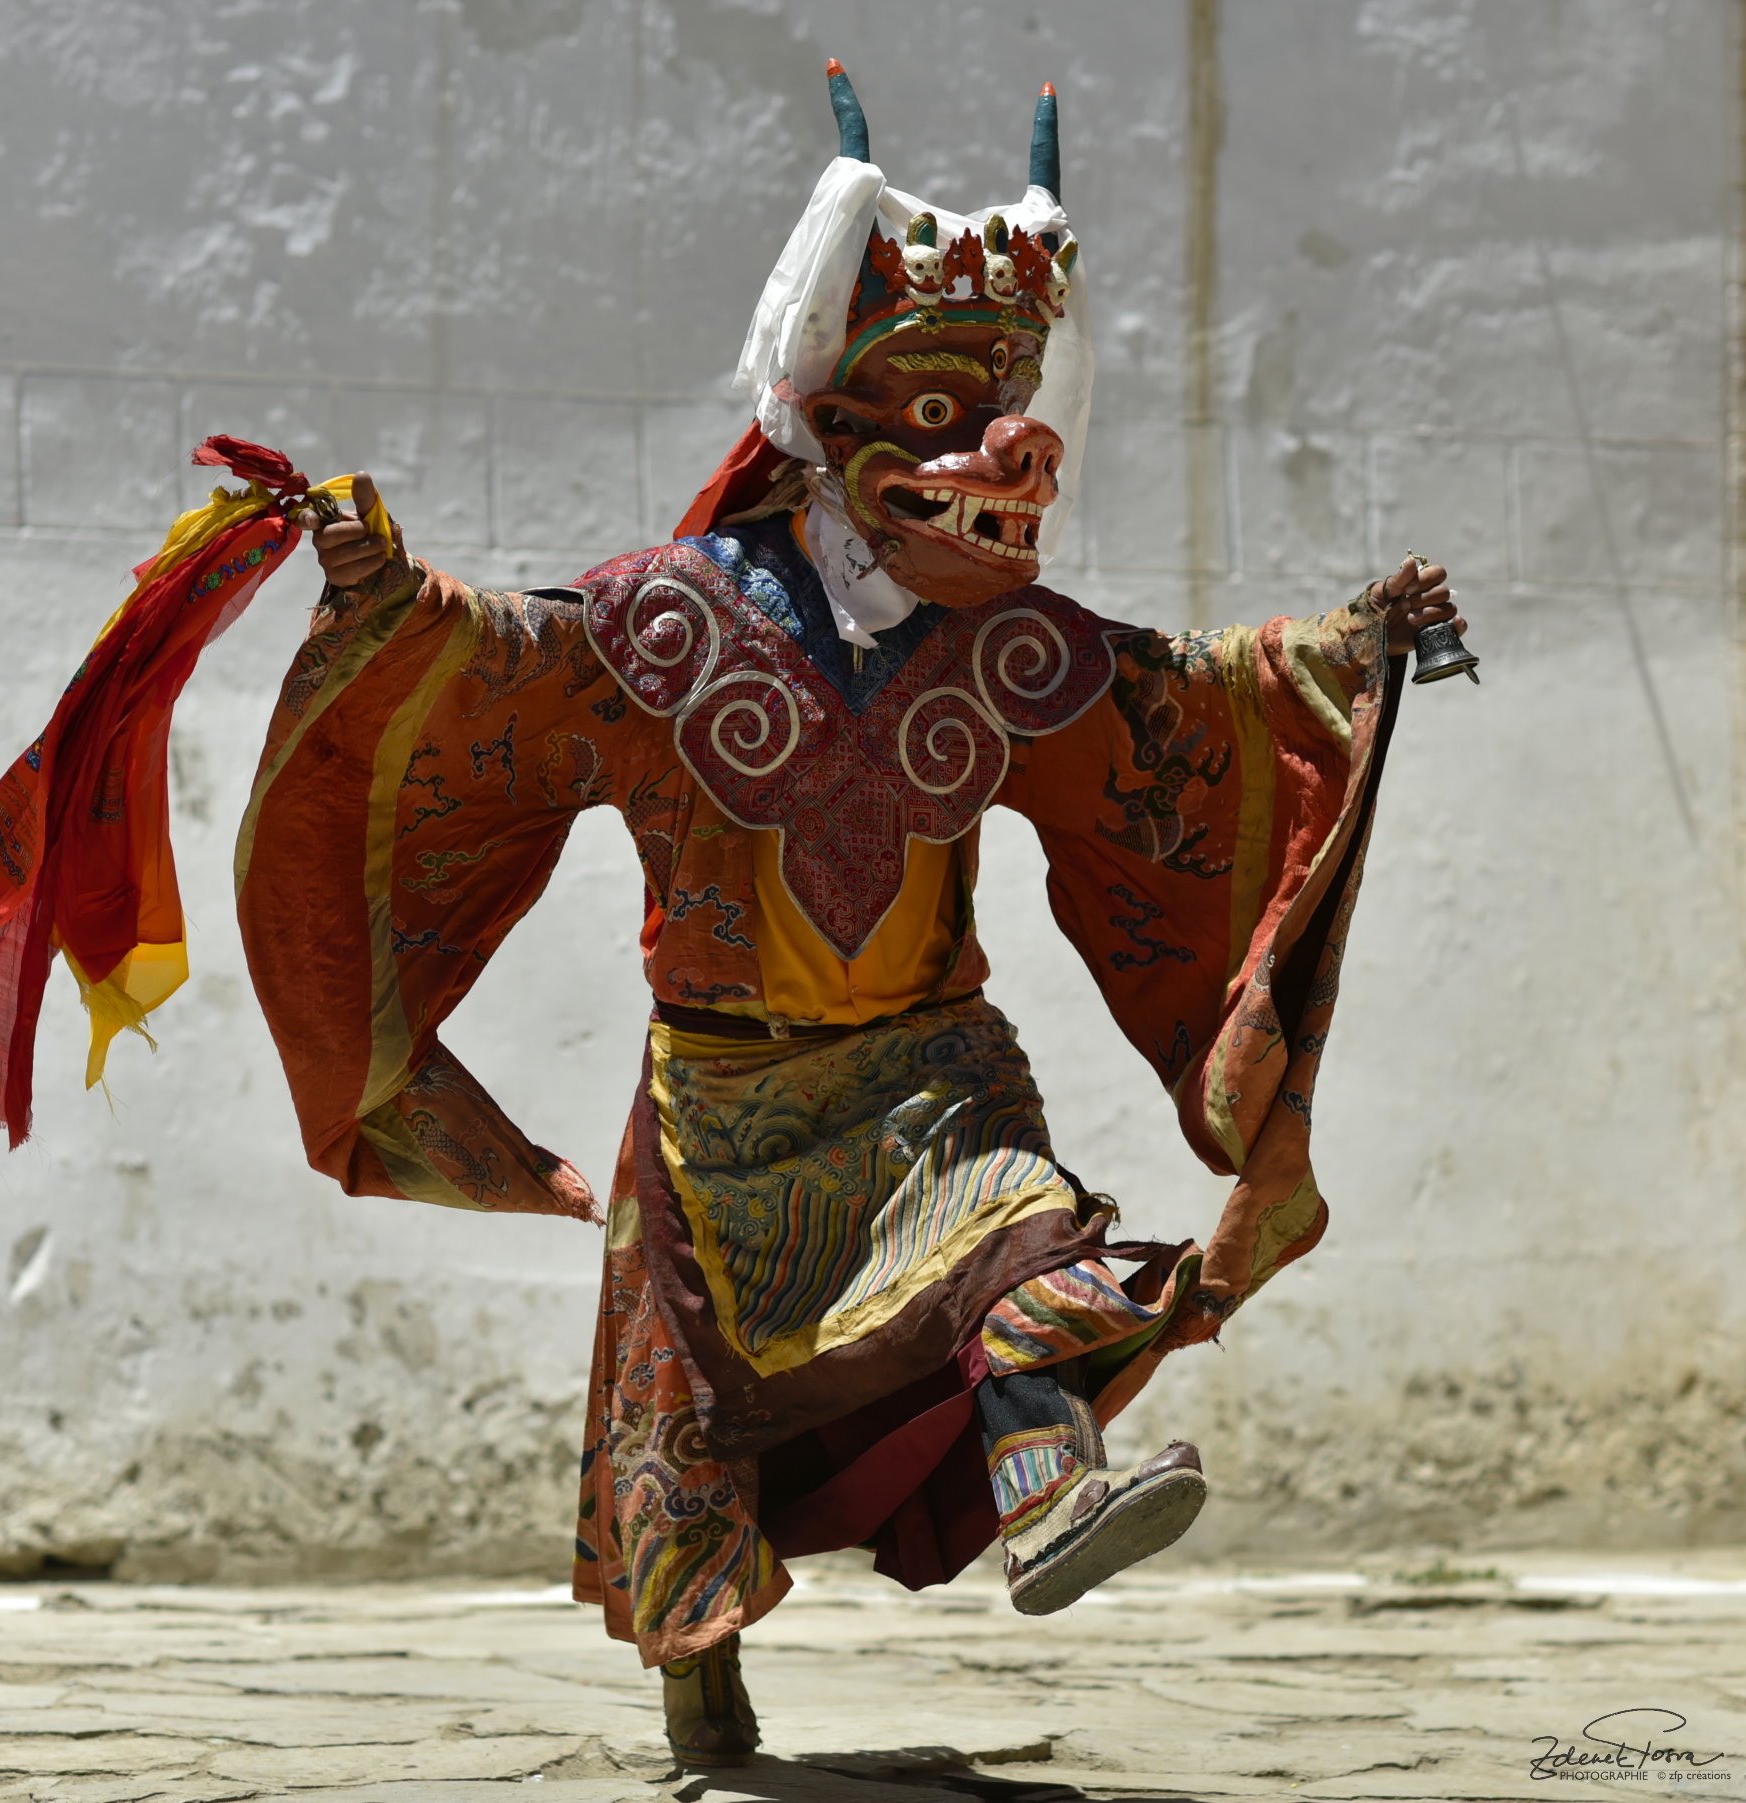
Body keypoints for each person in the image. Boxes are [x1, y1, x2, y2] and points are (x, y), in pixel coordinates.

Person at [245, 64, 1464, 1765]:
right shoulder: (666, 623)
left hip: (933, 1081)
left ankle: (1049, 1503)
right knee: (692, 1424)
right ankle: (705, 1689)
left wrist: (1349, 644)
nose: (996, 455)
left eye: (1007, 410)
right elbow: (496, 664)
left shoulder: (1009, 645)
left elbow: (1191, 710)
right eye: (942, 422)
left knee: (1035, 1253)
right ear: (832, 422)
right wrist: (388, 596)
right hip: (719, 1113)